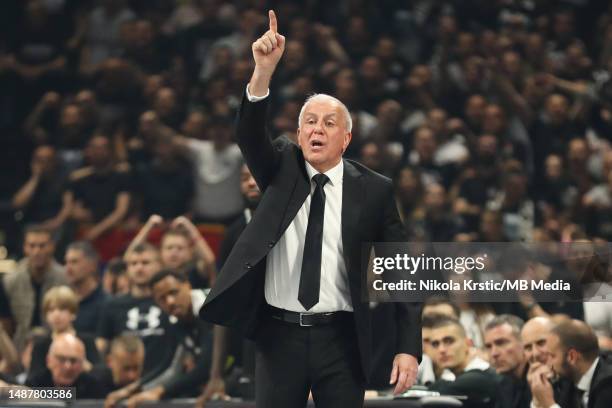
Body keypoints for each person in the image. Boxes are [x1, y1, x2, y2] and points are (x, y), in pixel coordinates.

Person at [199, 10, 421, 408]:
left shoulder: (374, 190)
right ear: (299, 133)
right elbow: (249, 134)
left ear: (346, 137)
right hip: (277, 335)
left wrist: (409, 348)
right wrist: (262, 72)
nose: (317, 129)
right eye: (310, 122)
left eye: (329, 123)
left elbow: (401, 271)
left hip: (342, 338)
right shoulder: (279, 167)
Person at [111, 270, 217, 407]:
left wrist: (161, 392)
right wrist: (134, 389)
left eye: (174, 292)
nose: (170, 301)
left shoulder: (212, 305)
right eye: (162, 298)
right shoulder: (175, 320)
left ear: (188, 285)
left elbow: (207, 366)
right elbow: (170, 364)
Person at [96, 243, 171, 377]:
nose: (139, 268)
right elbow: (101, 346)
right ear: (127, 269)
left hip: (164, 378)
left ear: (159, 265)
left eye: (145, 263)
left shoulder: (170, 301)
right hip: (124, 379)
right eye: (133, 264)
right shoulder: (112, 304)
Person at [3, 226, 67, 351]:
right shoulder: (11, 281)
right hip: (19, 348)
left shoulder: (65, 279)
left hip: (57, 347)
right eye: (32, 246)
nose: (37, 251)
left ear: (51, 247)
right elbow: (6, 324)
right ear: (25, 248)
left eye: (42, 246)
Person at [529, 320, 612, 408]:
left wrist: (549, 404)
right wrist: (538, 399)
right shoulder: (568, 381)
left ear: (572, 356)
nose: (548, 363)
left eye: (552, 356)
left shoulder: (608, 384)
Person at [27, 286, 100, 379]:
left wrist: (83, 365)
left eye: (62, 309)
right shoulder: (40, 345)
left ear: (73, 313)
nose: (56, 315)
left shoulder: (86, 341)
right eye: (51, 310)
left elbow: (100, 374)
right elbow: (33, 379)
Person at [428, 316, 502, 408]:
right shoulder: (450, 378)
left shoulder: (481, 376)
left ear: (468, 343)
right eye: (436, 344)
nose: (441, 350)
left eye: (449, 341)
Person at [26, 333, 103, 398]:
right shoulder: (34, 386)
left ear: (82, 364)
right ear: (48, 361)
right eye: (61, 359)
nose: (68, 366)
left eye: (73, 360)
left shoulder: (93, 387)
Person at [484, 315, 530, 408]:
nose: (494, 353)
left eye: (501, 343)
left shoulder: (545, 381)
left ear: (524, 343)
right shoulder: (501, 384)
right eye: (489, 346)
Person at [64, 241, 108, 334]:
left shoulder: (106, 303)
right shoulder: (63, 301)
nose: (68, 268)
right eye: (66, 262)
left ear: (92, 265)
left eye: (74, 262)